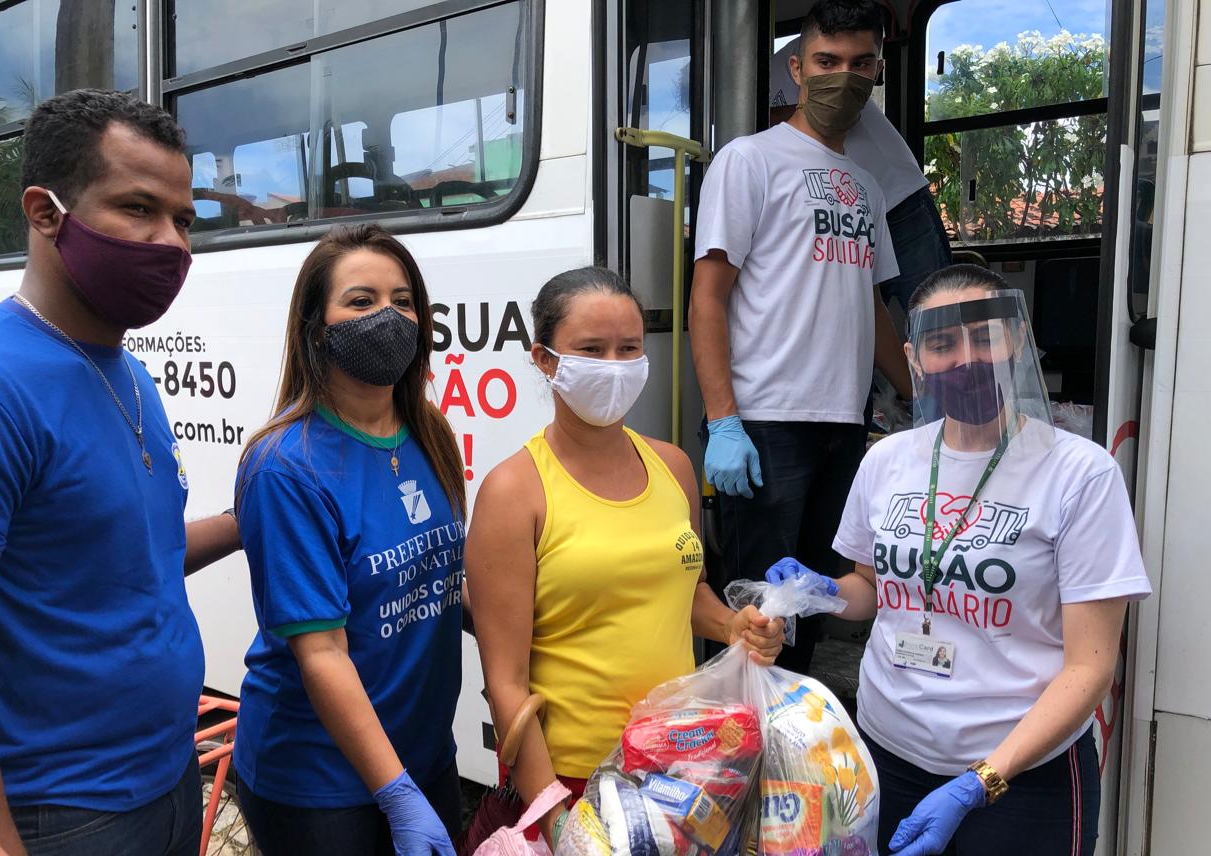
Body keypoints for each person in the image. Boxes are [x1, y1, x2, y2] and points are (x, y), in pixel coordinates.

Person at [0, 89, 241, 856]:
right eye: (138, 208)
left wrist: (245, 522)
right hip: (57, 815)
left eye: (185, 219)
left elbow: (134, 561)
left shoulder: (127, 373)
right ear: (45, 213)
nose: (172, 244)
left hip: (169, 781)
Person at [776, 264, 1151, 855]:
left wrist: (982, 781)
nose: (966, 358)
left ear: (1018, 340)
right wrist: (819, 589)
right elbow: (870, 589)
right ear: (915, 357)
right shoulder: (888, 461)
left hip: (1021, 777)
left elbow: (1090, 668)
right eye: (943, 343)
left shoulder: (1079, 473)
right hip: (884, 757)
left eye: (986, 336)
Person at [465, 267, 787, 849]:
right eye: (592, 350)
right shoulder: (515, 491)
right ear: (544, 359)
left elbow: (688, 593)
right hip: (575, 778)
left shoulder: (673, 467)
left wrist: (736, 625)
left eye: (629, 348)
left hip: (681, 761)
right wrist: (555, 816)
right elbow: (506, 681)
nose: (614, 366)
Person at [689, 0, 911, 674]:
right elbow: (709, 296)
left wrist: (921, 394)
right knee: (756, 612)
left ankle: (794, 749)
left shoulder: (868, 186)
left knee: (814, 602)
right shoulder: (749, 161)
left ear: (876, 71)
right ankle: (736, 753)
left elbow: (869, 306)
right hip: (764, 425)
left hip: (843, 426)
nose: (842, 77)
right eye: (826, 62)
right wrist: (724, 418)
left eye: (858, 64)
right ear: (797, 67)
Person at [232, 224, 467, 856]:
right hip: (321, 783)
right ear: (316, 326)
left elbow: (438, 582)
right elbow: (322, 654)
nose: (388, 317)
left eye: (403, 300)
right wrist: (396, 794)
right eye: (361, 302)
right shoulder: (287, 465)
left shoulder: (429, 435)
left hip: (423, 754)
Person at [769, 36, 953, 313]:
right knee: (858, 318)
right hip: (844, 214)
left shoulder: (803, 51)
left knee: (938, 315)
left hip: (898, 201)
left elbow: (819, 112)